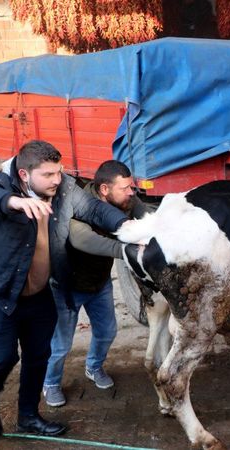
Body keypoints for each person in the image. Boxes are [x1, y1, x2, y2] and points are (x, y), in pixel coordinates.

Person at [0, 141, 128, 440]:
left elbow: (93, 209)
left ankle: (28, 416)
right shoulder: (0, 184)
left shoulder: (63, 188)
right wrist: (14, 202)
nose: (58, 179)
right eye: (49, 174)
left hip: (40, 294)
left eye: (59, 172)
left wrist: (129, 228)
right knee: (2, 357)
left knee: (39, 355)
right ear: (25, 174)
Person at [42, 160, 148, 407]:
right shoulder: (76, 205)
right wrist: (127, 250)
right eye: (125, 188)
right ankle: (50, 383)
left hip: (99, 284)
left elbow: (147, 217)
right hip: (66, 286)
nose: (131, 193)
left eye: (131, 187)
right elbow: (83, 240)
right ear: (104, 190)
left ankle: (94, 367)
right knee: (60, 345)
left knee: (107, 332)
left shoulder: (126, 200)